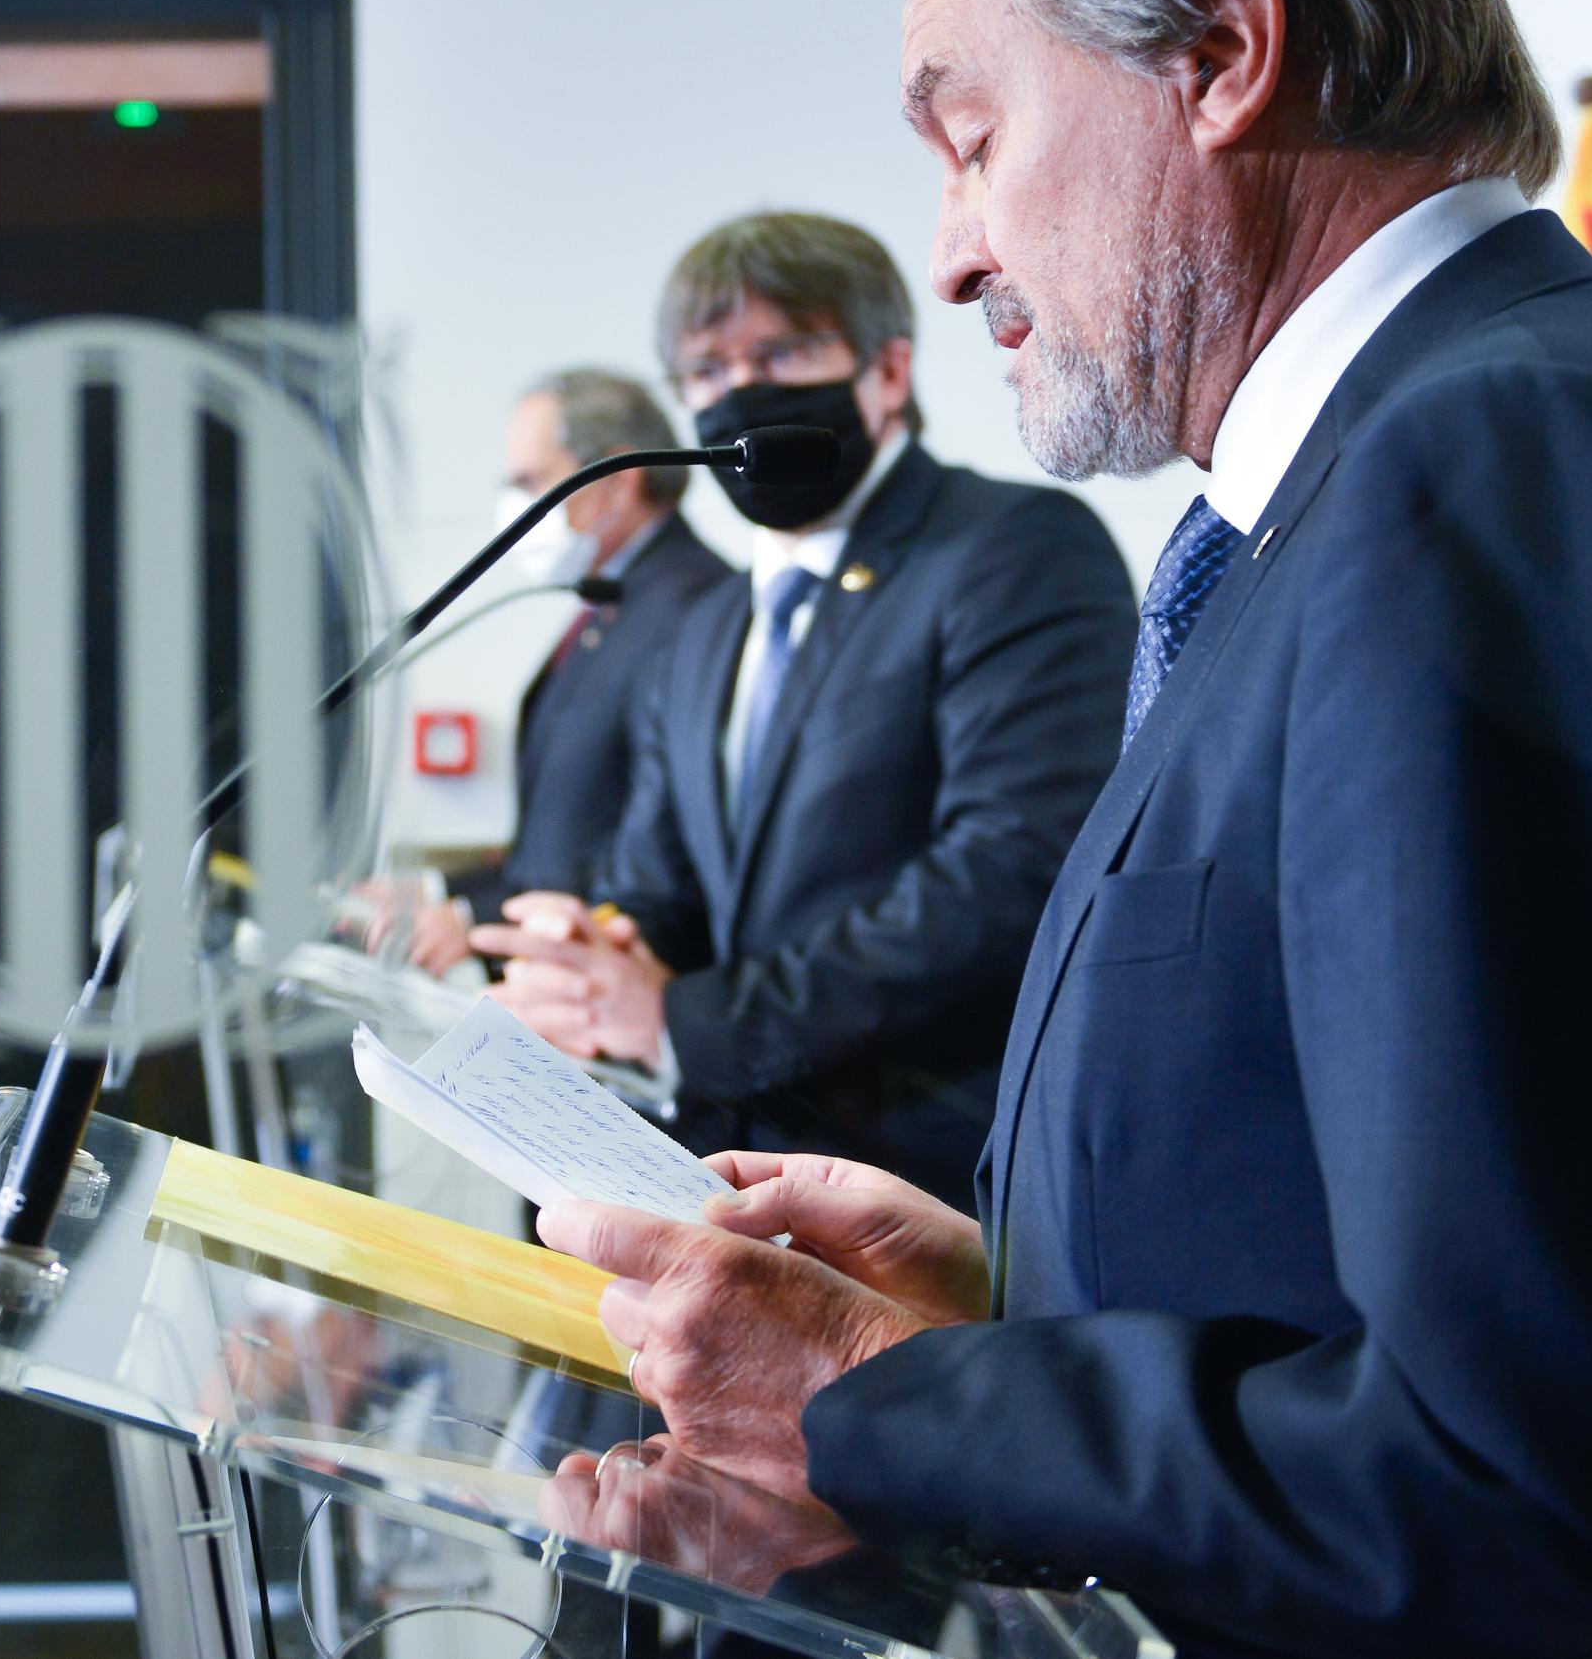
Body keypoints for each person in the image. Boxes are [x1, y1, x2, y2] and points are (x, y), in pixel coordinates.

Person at [533, 0, 1592, 1659]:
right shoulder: (1335, 499)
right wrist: (1019, 1302)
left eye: (973, 138)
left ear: (1221, 53)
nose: (948, 258)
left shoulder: (1477, 463)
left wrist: (870, 1393)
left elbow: (1517, 1474)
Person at [472, 212, 1132, 1211]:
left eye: (781, 349)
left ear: (888, 370)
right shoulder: (703, 627)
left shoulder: (1016, 549)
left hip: (933, 1189)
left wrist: (688, 1024)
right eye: (704, 369)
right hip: (713, 1180)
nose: (739, 389)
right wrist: (598, 943)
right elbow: (661, 879)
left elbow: (1012, 872)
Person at [377, 369, 731, 976]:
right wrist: (437, 891)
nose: (516, 505)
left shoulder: (691, 610)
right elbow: (558, 837)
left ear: (617, 480)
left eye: (532, 482)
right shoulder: (614, 601)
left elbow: (652, 857)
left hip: (627, 989)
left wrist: (470, 918)